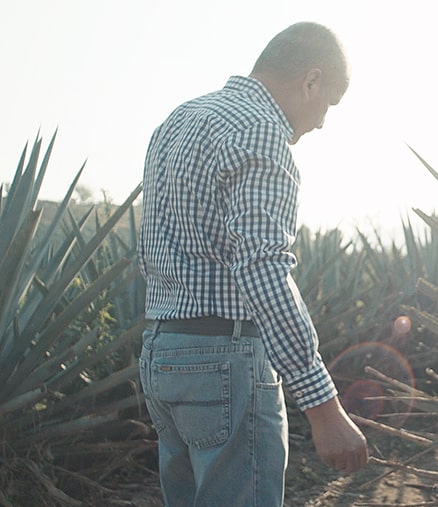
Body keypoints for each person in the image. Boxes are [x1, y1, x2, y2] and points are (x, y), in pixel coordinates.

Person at [137, 22, 368, 506]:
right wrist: (323, 408)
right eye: (328, 103)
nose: (322, 122)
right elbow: (262, 268)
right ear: (311, 81)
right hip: (225, 361)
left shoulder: (178, 121)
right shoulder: (261, 132)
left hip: (162, 354)